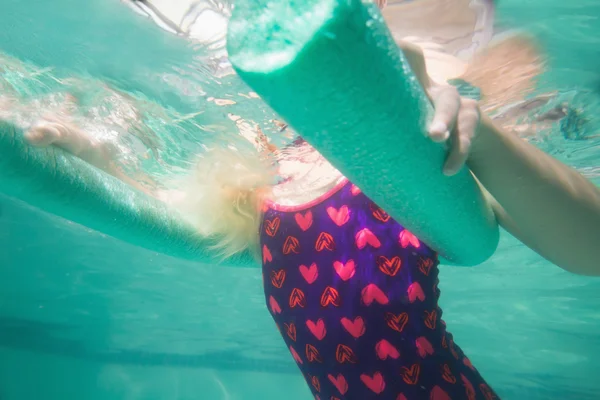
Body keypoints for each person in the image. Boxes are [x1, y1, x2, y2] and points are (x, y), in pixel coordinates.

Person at [15, 3, 600, 400]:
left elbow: (590, 247)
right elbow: (212, 224)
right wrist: (96, 153)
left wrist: (479, 130)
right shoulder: (274, 146)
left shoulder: (434, 133)